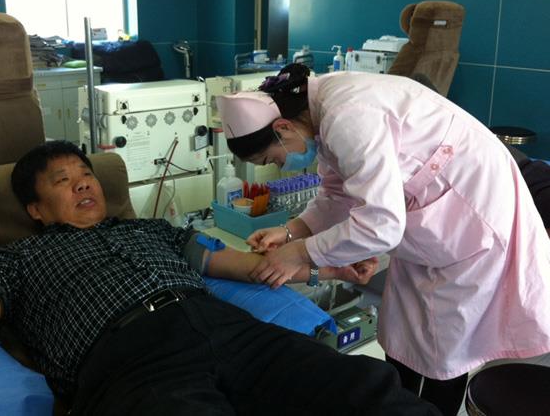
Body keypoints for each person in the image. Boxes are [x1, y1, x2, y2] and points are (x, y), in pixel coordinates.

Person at [0, 140, 437, 416]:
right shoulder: (21, 258)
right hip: (128, 361)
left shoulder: (152, 230)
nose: (83, 184)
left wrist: (324, 267)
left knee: (360, 387)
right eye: (63, 181)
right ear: (35, 210)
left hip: (225, 328)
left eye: (86, 174)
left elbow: (237, 265)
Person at [215, 63, 550, 416]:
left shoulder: (346, 114)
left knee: (442, 350)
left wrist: (301, 254)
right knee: (405, 332)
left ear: (282, 127)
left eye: (272, 158)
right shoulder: (320, 112)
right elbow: (337, 193)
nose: (280, 166)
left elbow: (382, 224)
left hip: (470, 214)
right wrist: (290, 231)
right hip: (429, 219)